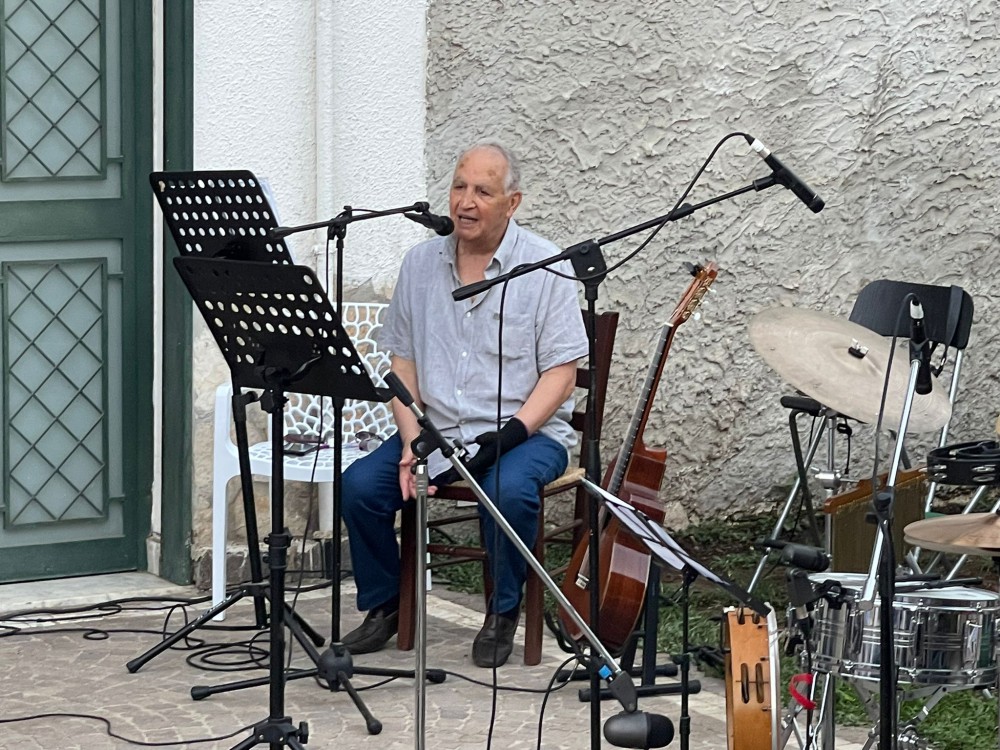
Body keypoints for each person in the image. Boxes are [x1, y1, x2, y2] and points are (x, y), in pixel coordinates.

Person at [340, 142, 588, 668]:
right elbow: (400, 364)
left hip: (527, 435)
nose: (465, 202)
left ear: (512, 202)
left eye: (482, 190)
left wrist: (514, 433)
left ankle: (502, 611)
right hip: (436, 430)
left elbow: (562, 373)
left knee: (505, 489)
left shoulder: (546, 266)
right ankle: (385, 606)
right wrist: (411, 441)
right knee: (362, 485)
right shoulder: (420, 263)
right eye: (458, 186)